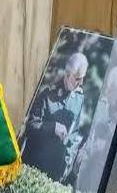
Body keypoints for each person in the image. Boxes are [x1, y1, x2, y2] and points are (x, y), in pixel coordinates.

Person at [22, 51, 87, 182]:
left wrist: (66, 164)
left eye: (82, 78)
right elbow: (30, 127)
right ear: (67, 75)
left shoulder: (79, 98)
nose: (81, 82)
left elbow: (73, 135)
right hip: (34, 167)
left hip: (55, 173)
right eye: (77, 78)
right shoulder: (47, 93)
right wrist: (53, 127)